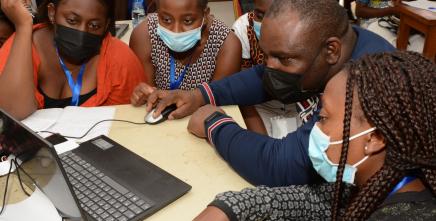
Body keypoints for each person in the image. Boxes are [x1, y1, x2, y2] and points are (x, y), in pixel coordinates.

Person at [147, 0, 395, 187]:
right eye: (267, 55)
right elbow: (261, 79)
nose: (270, 67)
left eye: (284, 58)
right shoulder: (339, 45)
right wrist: (199, 95)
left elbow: (281, 166)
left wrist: (215, 124)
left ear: (331, 50)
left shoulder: (366, 84)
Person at [193, 51, 436, 221]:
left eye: (323, 118)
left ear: (375, 139)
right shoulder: (378, 181)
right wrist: (231, 207)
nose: (315, 129)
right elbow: (318, 200)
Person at [0, 0, 146, 120]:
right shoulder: (20, 46)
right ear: (52, 12)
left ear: (106, 25)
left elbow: (128, 128)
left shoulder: (120, 60)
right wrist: (23, 25)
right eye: (72, 20)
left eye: (94, 26)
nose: (82, 31)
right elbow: (13, 112)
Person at [129, 0, 242, 106]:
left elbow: (218, 100)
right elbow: (145, 97)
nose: (176, 31)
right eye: (166, 19)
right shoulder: (144, 35)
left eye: (187, 21)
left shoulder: (226, 45)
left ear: (205, 15)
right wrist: (141, 94)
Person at [232, 0, 312, 138]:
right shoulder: (242, 28)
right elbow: (242, 92)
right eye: (260, 15)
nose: (266, 23)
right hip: (260, 105)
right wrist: (261, 139)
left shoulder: (308, 26)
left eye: (277, 15)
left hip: (300, 102)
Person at [355, 0, 424, 52]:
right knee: (392, 48)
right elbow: (359, 11)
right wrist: (391, 10)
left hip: (398, 23)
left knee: (421, 46)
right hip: (373, 22)